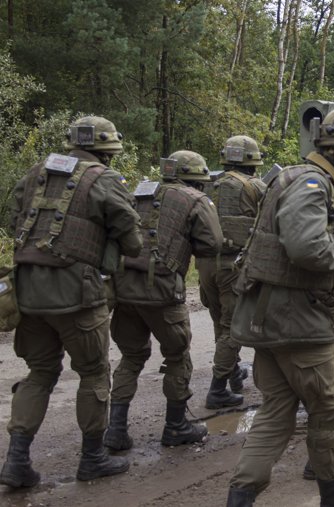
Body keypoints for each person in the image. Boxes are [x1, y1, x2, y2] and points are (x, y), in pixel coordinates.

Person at [225, 107, 334, 506]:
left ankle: (240, 500)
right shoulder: (313, 182)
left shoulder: (296, 177)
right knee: (327, 411)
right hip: (298, 321)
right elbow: (305, 246)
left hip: (270, 319)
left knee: (276, 412)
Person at [0, 116, 142, 487]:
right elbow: (130, 233)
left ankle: (16, 461)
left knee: (40, 373)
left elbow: (14, 216)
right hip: (77, 293)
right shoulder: (104, 179)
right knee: (94, 373)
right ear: (107, 151)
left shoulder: (36, 172)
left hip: (27, 292)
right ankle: (92, 458)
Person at [104, 150, 223, 450]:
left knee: (131, 357)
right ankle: (175, 426)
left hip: (124, 287)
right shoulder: (195, 200)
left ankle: (115, 430)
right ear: (198, 178)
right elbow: (212, 245)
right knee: (177, 356)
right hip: (162, 292)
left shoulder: (140, 191)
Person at [197, 135, 267, 410]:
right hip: (234, 266)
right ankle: (217, 390)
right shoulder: (255, 186)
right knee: (232, 327)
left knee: (219, 321)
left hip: (205, 265)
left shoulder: (207, 184)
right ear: (253, 161)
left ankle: (233, 374)